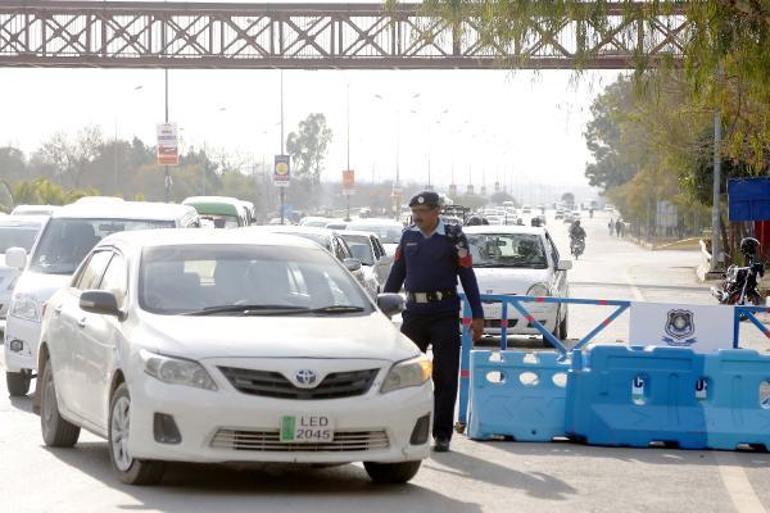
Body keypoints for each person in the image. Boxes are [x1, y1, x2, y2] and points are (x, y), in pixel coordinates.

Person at [384, 191, 484, 453]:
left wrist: (478, 314)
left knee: (445, 375)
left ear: (436, 211)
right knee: (404, 374)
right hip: (414, 314)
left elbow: (467, 275)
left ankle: (442, 434)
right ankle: (405, 429)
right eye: (415, 212)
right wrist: (381, 308)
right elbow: (397, 274)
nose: (418, 216)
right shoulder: (408, 236)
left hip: (444, 313)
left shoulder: (453, 237)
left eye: (423, 212)